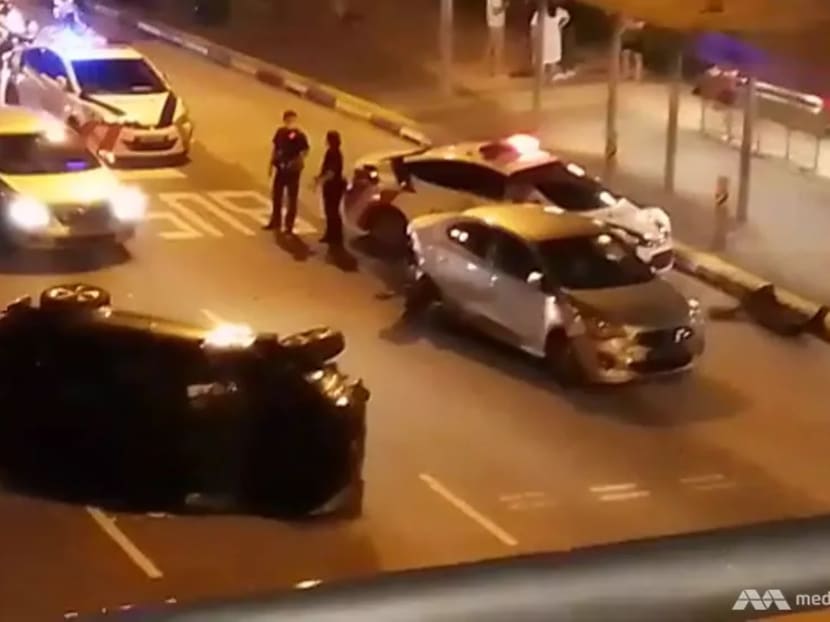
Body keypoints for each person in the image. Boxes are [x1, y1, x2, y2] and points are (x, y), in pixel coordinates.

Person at [266, 110, 309, 235]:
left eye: (293, 120)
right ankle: (275, 221)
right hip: (280, 169)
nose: (291, 122)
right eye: (288, 120)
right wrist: (270, 164)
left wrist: (296, 161)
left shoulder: (300, 135)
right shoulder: (280, 132)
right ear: (284, 120)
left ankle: (289, 226)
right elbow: (275, 148)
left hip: (293, 171)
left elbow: (305, 151)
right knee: (277, 196)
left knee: (292, 198)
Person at [314, 130, 345, 247]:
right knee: (331, 211)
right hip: (333, 185)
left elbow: (331, 172)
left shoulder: (334, 154)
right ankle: (332, 234)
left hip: (334, 186)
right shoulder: (332, 152)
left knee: (332, 211)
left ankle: (335, 235)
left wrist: (320, 180)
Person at [530, 0, 570, 81]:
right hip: (554, 39)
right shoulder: (559, 11)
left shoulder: (539, 13)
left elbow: (533, 27)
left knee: (541, 62)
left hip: (544, 39)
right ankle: (550, 82)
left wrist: (533, 39)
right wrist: (561, 25)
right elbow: (567, 17)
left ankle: (541, 81)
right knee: (553, 61)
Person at [484, 0, 508, 76]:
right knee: (498, 48)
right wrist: (505, 6)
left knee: (491, 46)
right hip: (496, 24)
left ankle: (487, 68)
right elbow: (495, 11)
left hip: (494, 24)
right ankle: (496, 70)